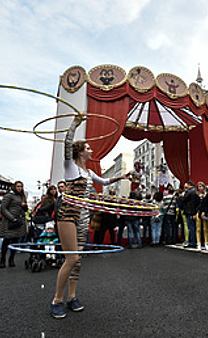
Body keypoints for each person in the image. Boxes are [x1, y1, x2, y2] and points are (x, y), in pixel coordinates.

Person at [51, 114, 130, 319]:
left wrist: (121, 176)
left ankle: (72, 297)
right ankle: (57, 300)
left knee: (78, 261)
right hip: (69, 213)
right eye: (88, 148)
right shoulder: (71, 167)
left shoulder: (88, 172)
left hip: (84, 215)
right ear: (80, 152)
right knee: (72, 257)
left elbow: (104, 182)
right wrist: (75, 124)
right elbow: (67, 143)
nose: (91, 150)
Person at [0, 181, 28, 269]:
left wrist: (24, 206)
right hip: (9, 222)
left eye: (21, 186)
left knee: (15, 242)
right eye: (18, 186)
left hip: (18, 222)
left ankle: (11, 259)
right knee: (6, 241)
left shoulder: (22, 197)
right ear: (14, 187)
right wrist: (12, 218)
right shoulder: (9, 195)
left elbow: (25, 210)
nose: (20, 188)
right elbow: (3, 208)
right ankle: (2, 260)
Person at [181, 181, 198, 248]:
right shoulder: (195, 191)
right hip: (192, 211)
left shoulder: (189, 192)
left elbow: (184, 199)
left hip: (189, 211)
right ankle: (194, 241)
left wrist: (182, 196)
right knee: (193, 227)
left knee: (190, 227)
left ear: (189, 185)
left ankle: (192, 242)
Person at [196, 181, 208, 251]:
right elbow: (194, 204)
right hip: (198, 212)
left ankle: (206, 243)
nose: (201, 188)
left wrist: (204, 212)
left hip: (205, 212)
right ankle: (198, 243)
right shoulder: (196, 195)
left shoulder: (207, 195)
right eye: (199, 186)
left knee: (205, 229)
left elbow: (207, 205)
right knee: (198, 229)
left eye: (202, 186)